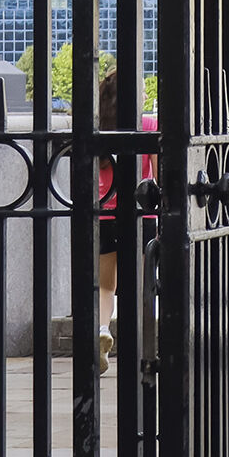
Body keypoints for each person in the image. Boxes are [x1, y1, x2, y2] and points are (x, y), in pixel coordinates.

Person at [92, 67, 159, 376]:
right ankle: (145, 345)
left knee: (106, 285)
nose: (146, 94)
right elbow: (157, 178)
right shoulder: (149, 125)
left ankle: (103, 329)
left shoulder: (101, 127)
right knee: (144, 286)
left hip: (105, 214)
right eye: (143, 90)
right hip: (140, 215)